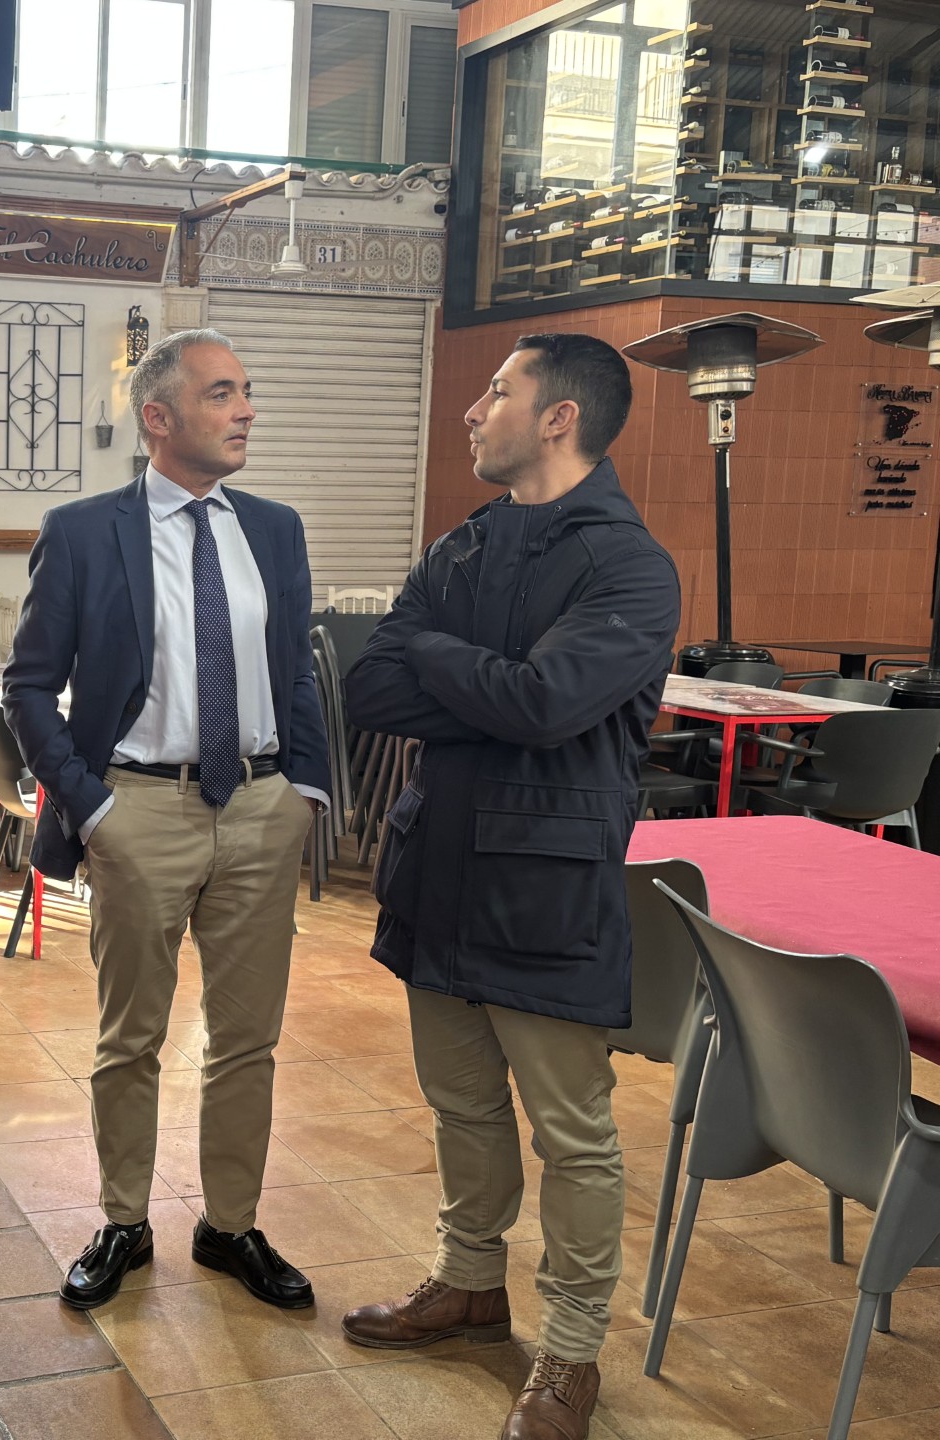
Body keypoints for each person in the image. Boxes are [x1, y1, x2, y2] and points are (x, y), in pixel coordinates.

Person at [339, 333, 680, 1440]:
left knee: (572, 1132)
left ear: (560, 417)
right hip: (435, 870)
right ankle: (471, 1279)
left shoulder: (629, 565)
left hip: (543, 889)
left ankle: (572, 1350)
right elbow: (370, 683)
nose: (474, 410)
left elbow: (546, 706)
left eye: (498, 390)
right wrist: (483, 676)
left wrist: (446, 661)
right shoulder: (466, 544)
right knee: (462, 1103)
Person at [2, 327, 331, 1313]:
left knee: (247, 1039)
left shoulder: (274, 529)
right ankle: (123, 1221)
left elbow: (294, 676)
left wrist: (305, 792)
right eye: (224, 394)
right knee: (129, 1037)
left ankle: (231, 1226)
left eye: (247, 391)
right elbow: (26, 688)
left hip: (261, 809)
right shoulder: (86, 531)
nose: (247, 411)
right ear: (160, 417)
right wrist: (92, 804)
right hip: (138, 807)